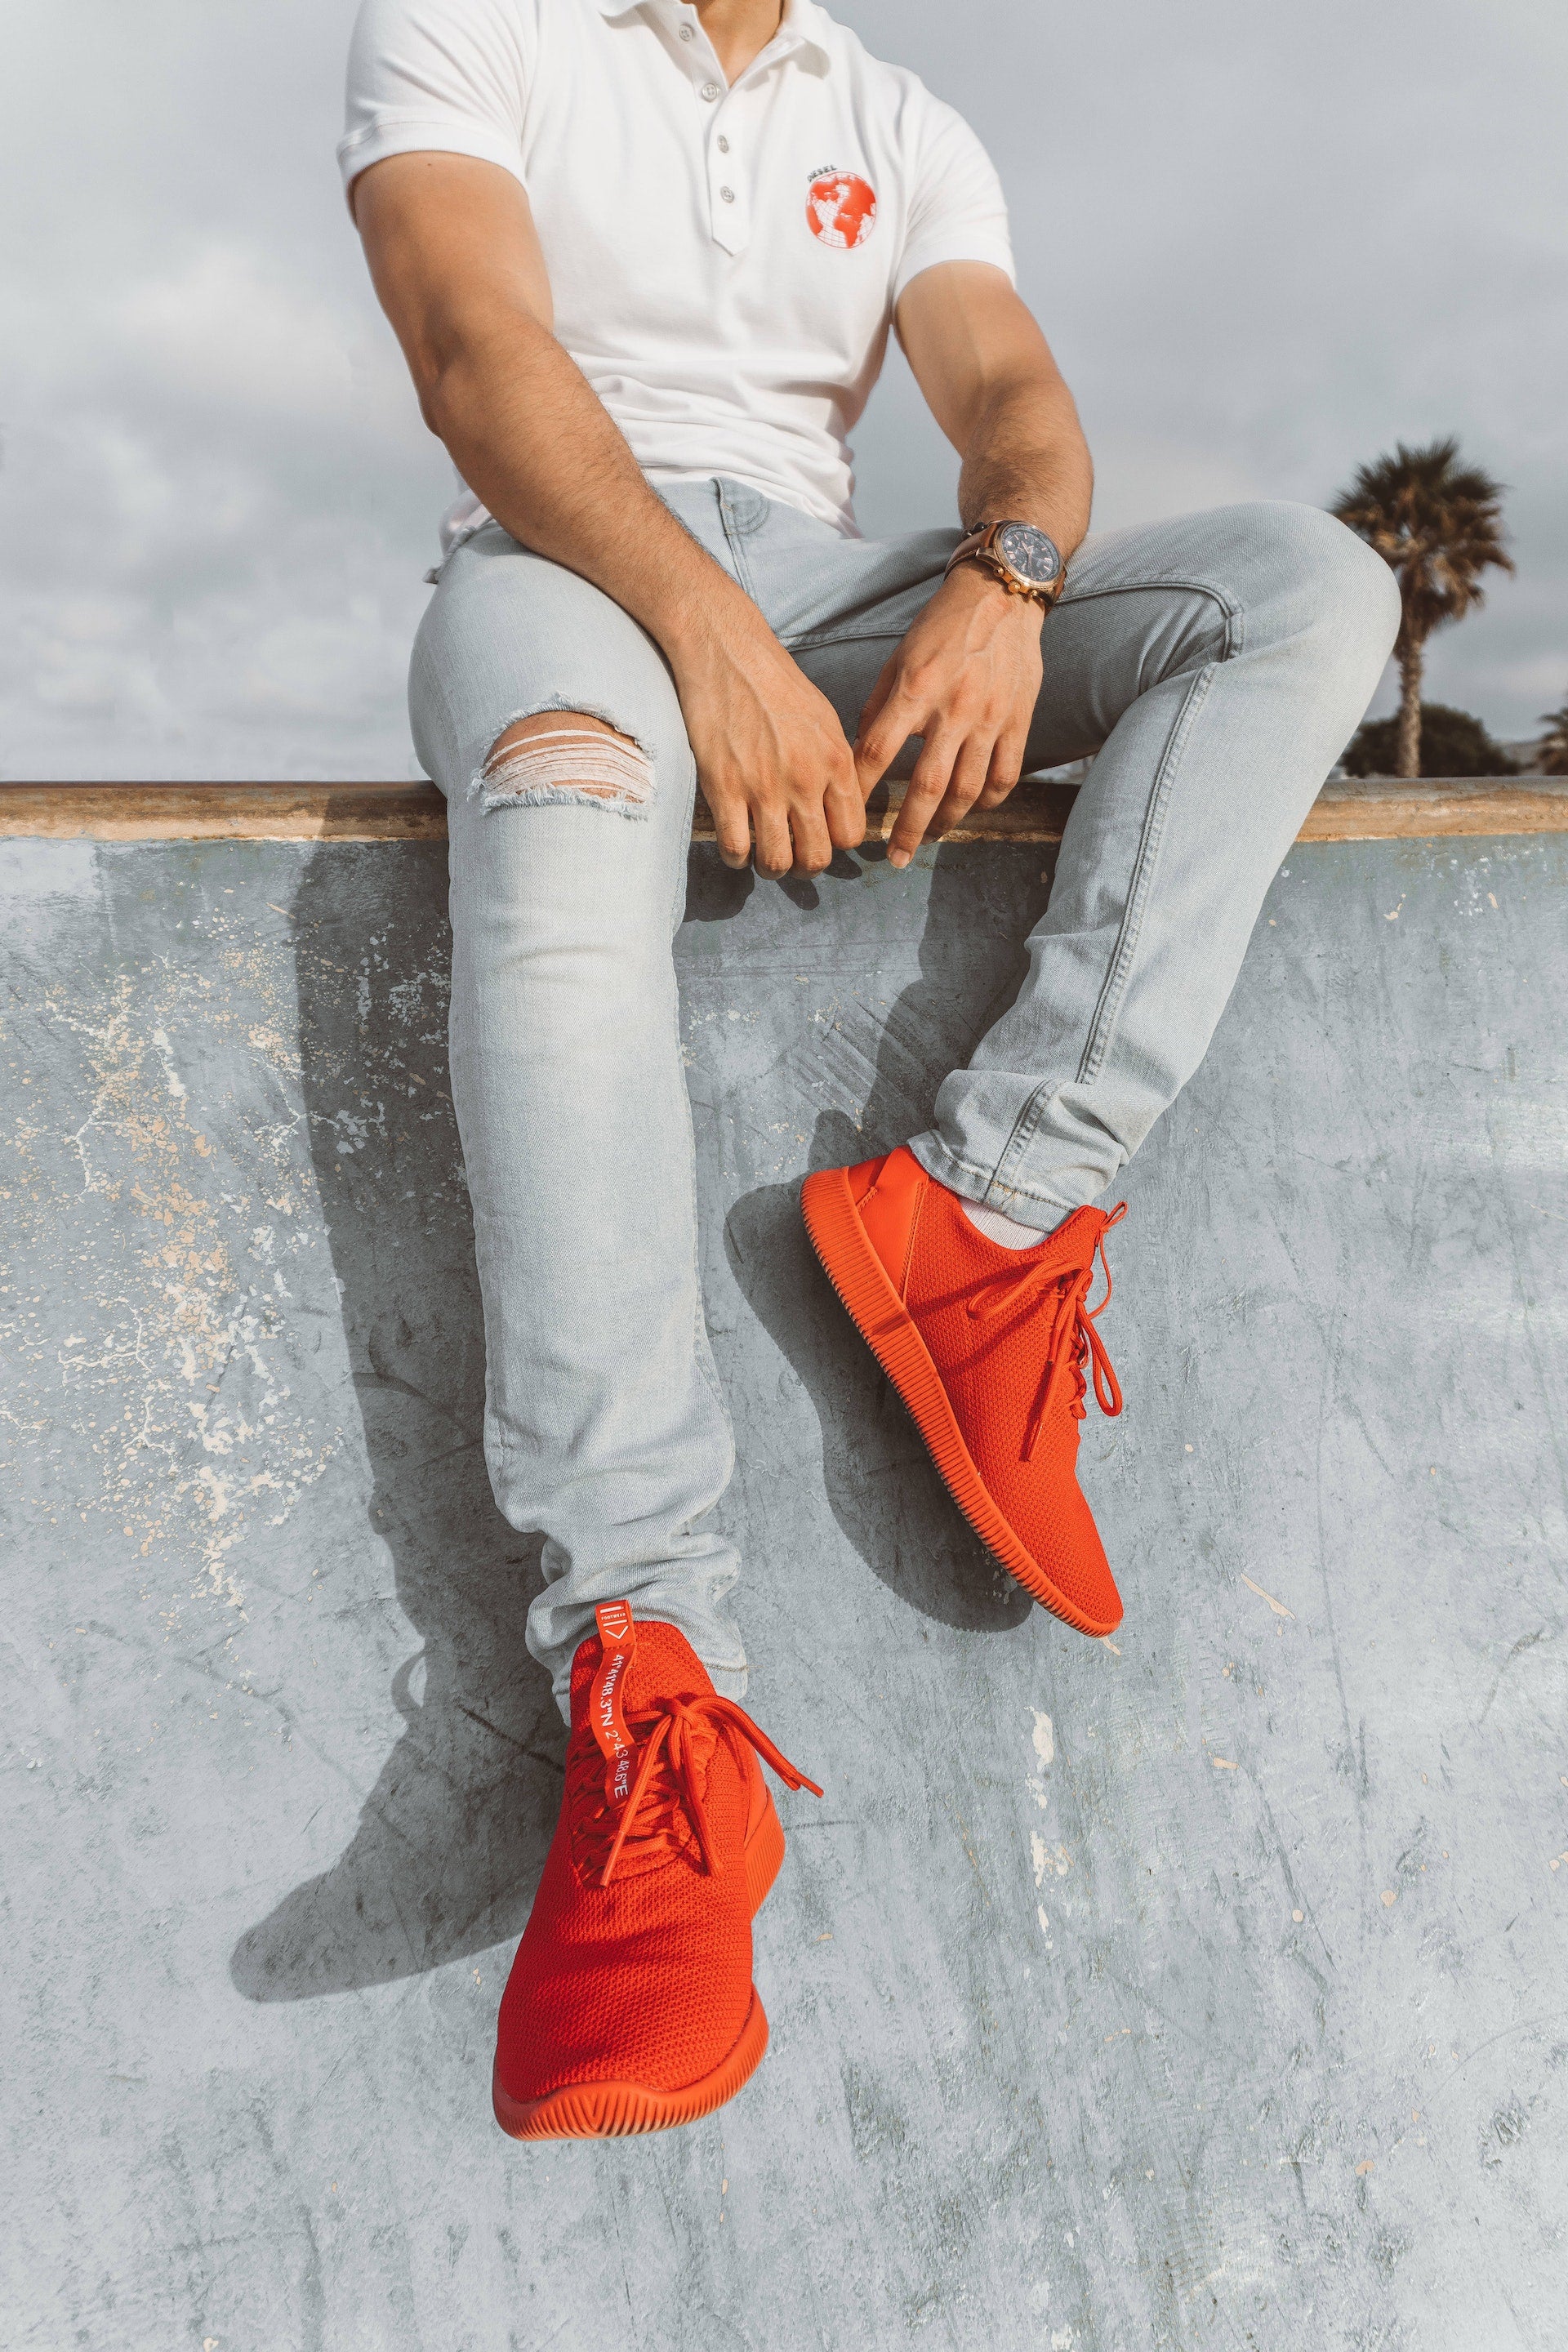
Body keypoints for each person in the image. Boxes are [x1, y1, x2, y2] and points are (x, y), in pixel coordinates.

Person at [339, 0, 1400, 2140]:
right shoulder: (469, 24)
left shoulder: (894, 115)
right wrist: (704, 651)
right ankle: (650, 1677)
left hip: (830, 579)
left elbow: (1005, 393)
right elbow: (476, 356)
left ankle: (992, 1212)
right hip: (561, 575)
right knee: (553, 815)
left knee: (1302, 589)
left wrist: (1007, 580)